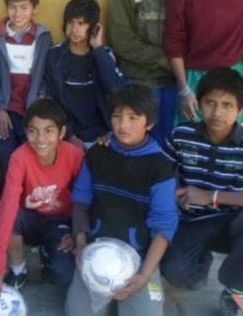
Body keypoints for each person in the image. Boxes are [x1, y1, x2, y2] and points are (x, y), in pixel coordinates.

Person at [161, 68, 243, 316]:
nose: (217, 113)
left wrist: (211, 196)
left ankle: (237, 290)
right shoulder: (181, 135)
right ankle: (201, 261)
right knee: (176, 273)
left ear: (241, 109)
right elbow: (157, 175)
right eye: (210, 103)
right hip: (192, 222)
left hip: (234, 224)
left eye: (228, 105)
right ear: (199, 102)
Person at [66, 84, 177, 316]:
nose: (122, 125)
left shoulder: (161, 167)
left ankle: (153, 288)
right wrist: (80, 244)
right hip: (95, 253)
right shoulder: (98, 153)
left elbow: (164, 226)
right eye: (117, 116)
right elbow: (80, 203)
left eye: (133, 117)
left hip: (139, 258)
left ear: (149, 123)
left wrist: (144, 275)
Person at [0, 99, 83, 295]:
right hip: (28, 218)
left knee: (63, 275)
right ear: (26, 132)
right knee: (8, 218)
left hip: (59, 221)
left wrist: (77, 232)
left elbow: (85, 201)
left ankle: (48, 252)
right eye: (33, 131)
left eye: (48, 130)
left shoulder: (74, 155)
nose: (40, 139)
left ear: (61, 133)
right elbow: (9, 205)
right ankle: (18, 270)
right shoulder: (19, 157)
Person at [108, 0, 183, 142]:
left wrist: (179, 66)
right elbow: (120, 37)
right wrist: (162, 59)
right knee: (137, 146)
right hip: (138, 81)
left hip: (178, 83)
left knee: (173, 146)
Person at [0, 0, 53, 186]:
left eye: (24, 8)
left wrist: (39, 105)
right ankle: (4, 209)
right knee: (6, 163)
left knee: (32, 163)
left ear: (35, 9)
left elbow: (46, 76)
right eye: (12, 7)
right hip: (4, 113)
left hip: (32, 111)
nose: (18, 14)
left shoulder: (43, 37)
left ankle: (27, 207)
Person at [45, 0, 124, 149]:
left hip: (103, 136)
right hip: (68, 135)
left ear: (93, 27)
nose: (74, 29)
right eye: (71, 23)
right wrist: (69, 135)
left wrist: (98, 50)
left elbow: (115, 90)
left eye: (81, 23)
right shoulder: (54, 56)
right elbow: (52, 99)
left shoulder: (104, 54)